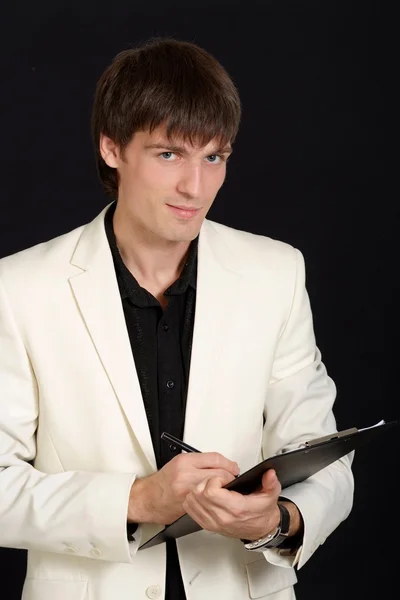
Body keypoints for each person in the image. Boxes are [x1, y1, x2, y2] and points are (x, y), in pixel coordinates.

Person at [0, 37, 354, 600]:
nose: (196, 186)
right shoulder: (18, 288)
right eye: (169, 154)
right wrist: (137, 500)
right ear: (111, 148)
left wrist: (276, 521)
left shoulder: (277, 272)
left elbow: (323, 454)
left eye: (213, 157)